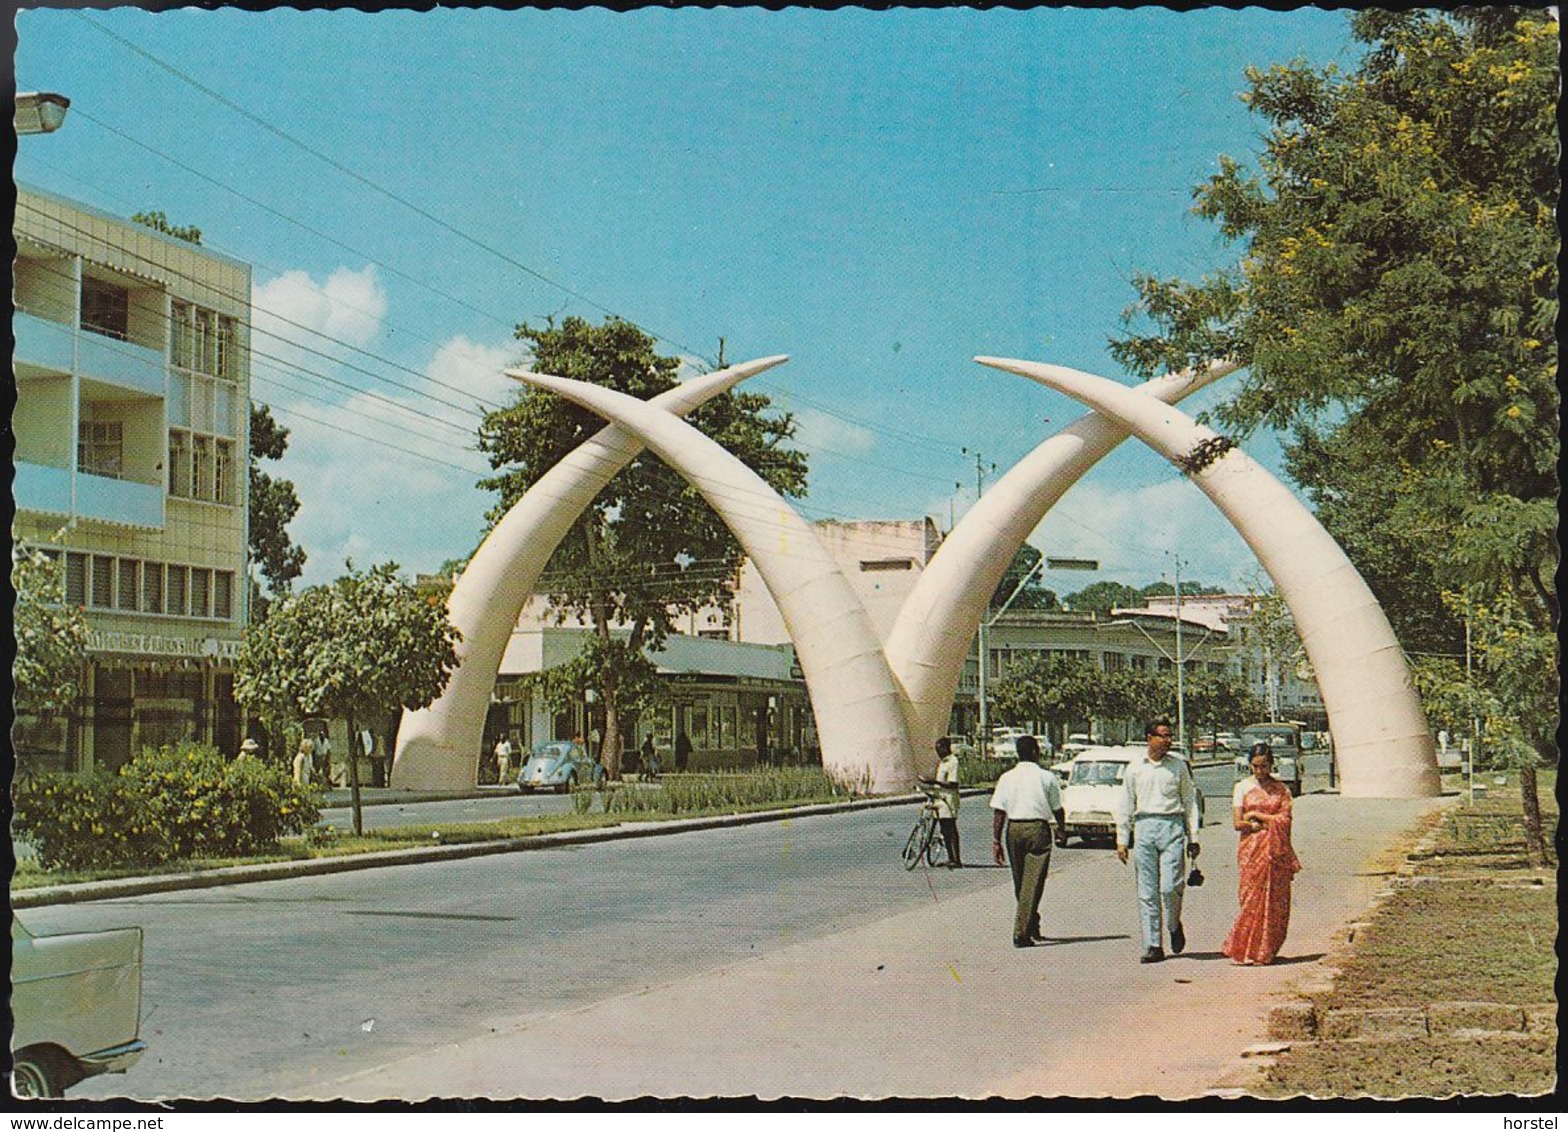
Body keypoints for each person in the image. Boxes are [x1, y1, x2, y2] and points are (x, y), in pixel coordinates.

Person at [1115, 717, 1202, 963]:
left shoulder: (1178, 767)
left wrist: (1193, 836)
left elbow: (1189, 802)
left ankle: (1173, 924)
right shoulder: (1135, 768)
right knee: (1147, 890)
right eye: (1162, 736)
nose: (1167, 740)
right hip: (1144, 827)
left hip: (1172, 826)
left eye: (1169, 736)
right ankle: (1153, 944)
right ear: (1149, 738)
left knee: (1170, 887)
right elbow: (1125, 804)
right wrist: (1122, 839)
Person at [1222, 743, 1302, 966]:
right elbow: (1238, 823)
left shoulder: (1282, 790)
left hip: (1275, 851)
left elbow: (1285, 820)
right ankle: (1244, 948)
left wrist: (1258, 814)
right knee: (1250, 898)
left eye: (1264, 766)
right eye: (1255, 767)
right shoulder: (1242, 788)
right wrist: (1254, 823)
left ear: (1271, 764)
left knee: (1276, 900)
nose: (1260, 771)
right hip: (1252, 848)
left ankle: (1266, 950)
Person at [989, 734, 1066, 948]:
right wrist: (1061, 829)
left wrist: (996, 840)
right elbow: (1057, 808)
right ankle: (1021, 933)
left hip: (1013, 830)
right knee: (1033, 883)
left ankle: (1031, 924)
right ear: (1034, 752)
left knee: (1020, 882)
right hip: (1037, 830)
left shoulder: (1006, 778)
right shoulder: (1046, 777)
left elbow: (999, 811)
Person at [932, 737, 963, 868]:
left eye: (940, 749)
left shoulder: (952, 762)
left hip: (949, 800)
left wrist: (935, 783)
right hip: (940, 799)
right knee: (944, 829)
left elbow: (953, 783)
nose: (938, 752)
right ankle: (950, 857)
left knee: (950, 828)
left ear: (946, 748)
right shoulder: (943, 762)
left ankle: (956, 859)